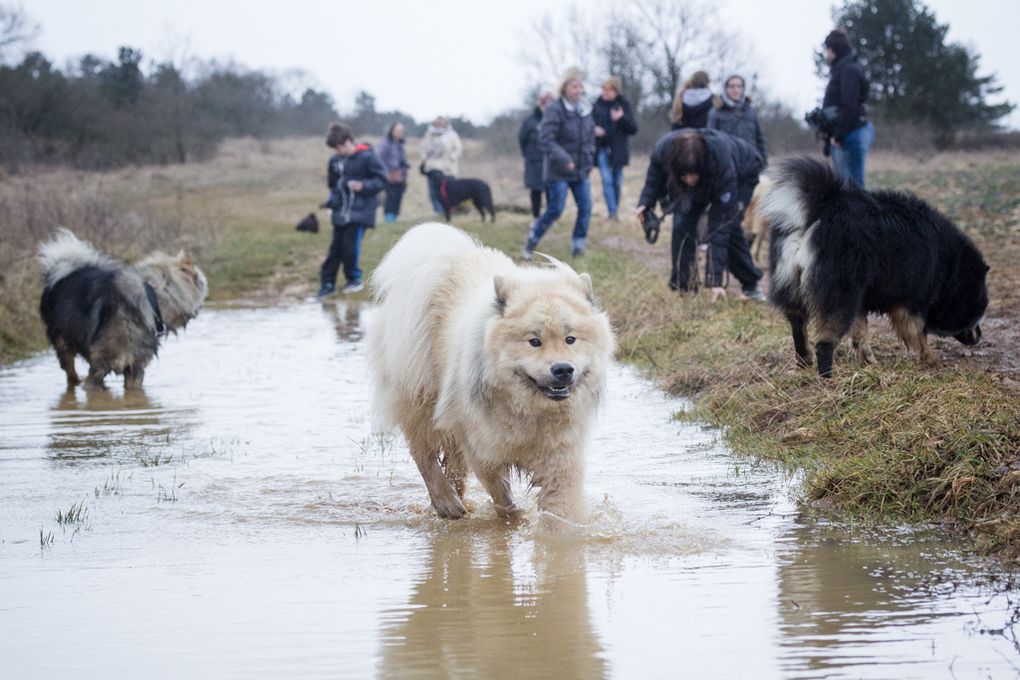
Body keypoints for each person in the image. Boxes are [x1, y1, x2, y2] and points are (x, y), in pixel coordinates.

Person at [636, 128, 766, 301]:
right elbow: (654, 178)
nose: (689, 180)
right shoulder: (664, 149)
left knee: (729, 225)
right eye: (684, 175)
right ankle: (685, 286)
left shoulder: (721, 165)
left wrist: (715, 281)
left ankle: (751, 285)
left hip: (743, 171)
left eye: (693, 175)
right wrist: (645, 202)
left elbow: (719, 227)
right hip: (708, 174)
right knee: (682, 221)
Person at [521, 67, 595, 260]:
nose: (578, 90)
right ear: (564, 87)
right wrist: (564, 159)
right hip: (558, 170)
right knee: (555, 210)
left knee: (586, 207)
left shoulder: (585, 109)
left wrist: (589, 159)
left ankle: (578, 246)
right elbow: (546, 139)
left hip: (581, 170)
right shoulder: (554, 109)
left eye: (580, 86)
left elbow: (589, 138)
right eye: (573, 86)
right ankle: (532, 240)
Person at [317, 123, 387, 299]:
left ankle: (354, 279)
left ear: (348, 141)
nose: (337, 151)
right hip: (340, 212)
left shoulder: (367, 157)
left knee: (350, 248)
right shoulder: (334, 161)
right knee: (335, 250)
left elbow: (381, 180)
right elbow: (333, 186)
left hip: (360, 212)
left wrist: (363, 186)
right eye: (334, 149)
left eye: (339, 147)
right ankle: (327, 284)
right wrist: (330, 204)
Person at [822, 29, 873, 187]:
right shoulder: (843, 69)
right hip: (846, 134)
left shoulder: (849, 70)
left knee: (852, 189)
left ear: (832, 50)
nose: (826, 54)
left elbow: (850, 106)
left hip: (850, 135)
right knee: (845, 188)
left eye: (827, 50)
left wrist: (838, 135)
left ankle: (861, 212)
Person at [592, 76, 638, 221]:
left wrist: (621, 118)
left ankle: (614, 211)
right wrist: (593, 129)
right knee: (606, 180)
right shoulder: (597, 105)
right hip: (602, 148)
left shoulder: (623, 104)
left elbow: (633, 129)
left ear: (615, 91)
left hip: (618, 150)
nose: (604, 92)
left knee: (617, 182)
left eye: (608, 89)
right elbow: (588, 123)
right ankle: (612, 213)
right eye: (603, 89)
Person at [707, 74, 767, 165]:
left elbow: (760, 139)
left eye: (739, 86)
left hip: (750, 163)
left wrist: (762, 161)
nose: (736, 90)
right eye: (732, 86)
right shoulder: (716, 112)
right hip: (727, 164)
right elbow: (710, 141)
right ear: (725, 88)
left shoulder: (751, 111)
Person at [519, 91, 555, 218]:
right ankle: (536, 217)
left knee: (551, 191)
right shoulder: (529, 121)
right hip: (534, 161)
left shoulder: (555, 119)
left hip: (550, 161)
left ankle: (550, 218)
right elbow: (522, 140)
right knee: (536, 192)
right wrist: (528, 154)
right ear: (540, 104)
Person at [420, 116, 462, 214]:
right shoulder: (429, 134)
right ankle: (438, 211)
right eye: (437, 123)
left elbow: (458, 149)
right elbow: (423, 149)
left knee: (449, 191)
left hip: (448, 168)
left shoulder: (451, 135)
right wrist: (424, 159)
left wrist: (452, 158)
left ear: (445, 124)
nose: (439, 125)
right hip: (432, 168)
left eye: (441, 123)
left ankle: (448, 211)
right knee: (433, 192)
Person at [376, 122, 410, 222]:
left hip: (401, 176)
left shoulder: (400, 143)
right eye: (397, 130)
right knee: (390, 197)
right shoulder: (385, 143)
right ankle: (388, 219)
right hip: (389, 176)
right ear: (392, 130)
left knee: (398, 197)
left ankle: (394, 218)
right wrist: (387, 172)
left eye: (401, 131)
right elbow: (379, 159)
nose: (399, 133)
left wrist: (405, 166)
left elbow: (401, 159)